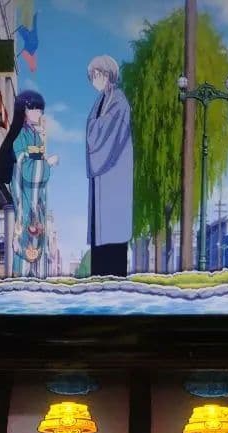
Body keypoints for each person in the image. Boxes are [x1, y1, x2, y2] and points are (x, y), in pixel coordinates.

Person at [0, 89, 59, 277]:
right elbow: (25, 166)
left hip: (35, 199)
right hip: (25, 195)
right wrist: (47, 163)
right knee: (25, 237)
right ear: (24, 110)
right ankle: (21, 280)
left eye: (41, 110)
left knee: (35, 238)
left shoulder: (35, 135)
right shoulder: (20, 136)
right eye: (36, 109)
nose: (40, 113)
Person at [86, 55, 133, 276]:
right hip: (101, 181)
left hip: (114, 178)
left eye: (97, 74)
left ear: (108, 75)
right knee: (100, 231)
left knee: (112, 232)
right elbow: (93, 131)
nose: (94, 79)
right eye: (92, 75)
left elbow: (102, 135)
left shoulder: (119, 101)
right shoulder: (101, 101)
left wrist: (93, 128)